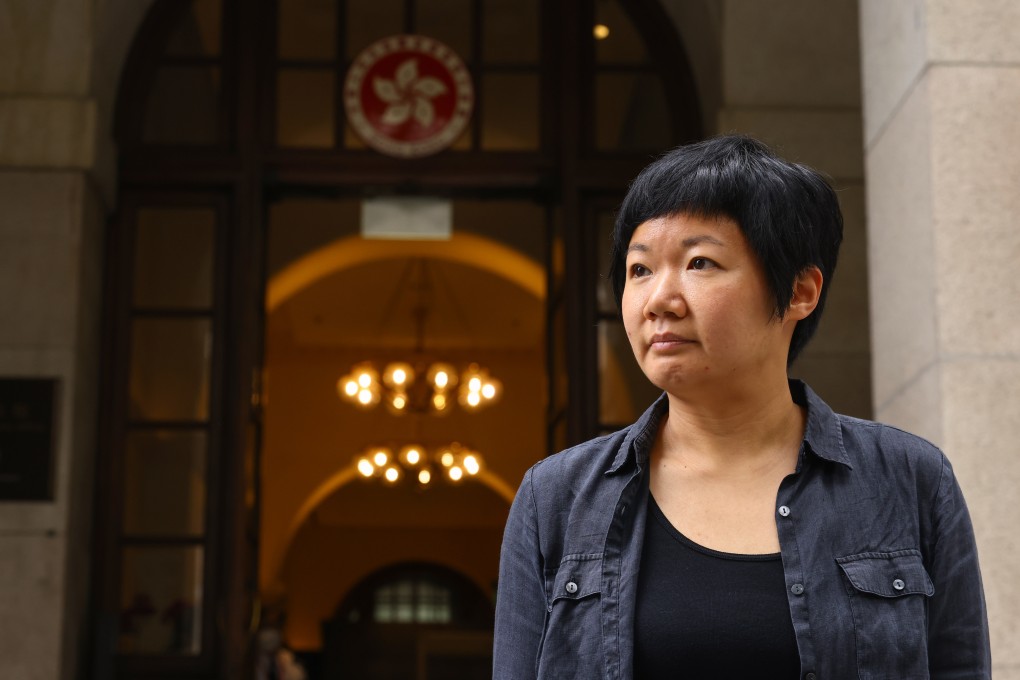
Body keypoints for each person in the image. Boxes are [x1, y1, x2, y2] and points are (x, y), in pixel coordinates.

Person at [492, 135, 990, 679]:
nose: (659, 299)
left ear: (800, 291)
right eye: (640, 270)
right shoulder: (557, 499)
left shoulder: (910, 480)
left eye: (700, 262)